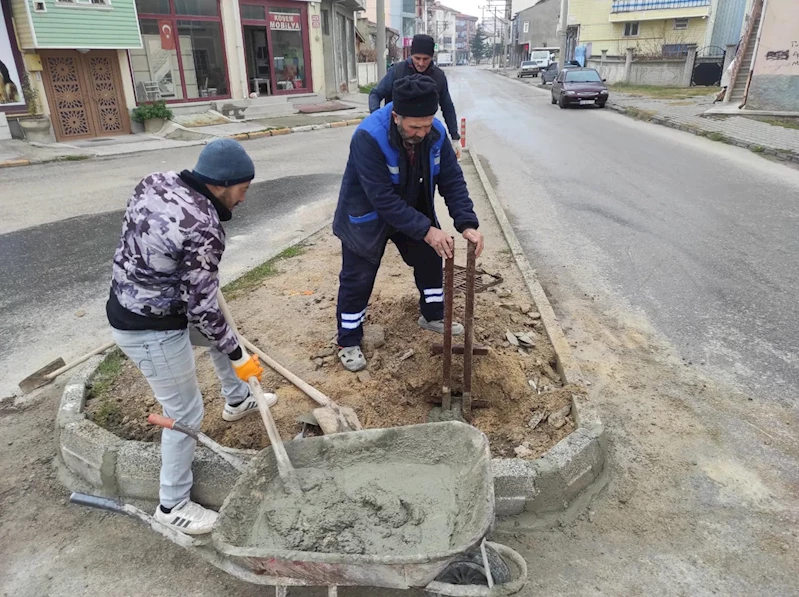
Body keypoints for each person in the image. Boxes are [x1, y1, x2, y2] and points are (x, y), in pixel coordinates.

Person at [106, 138, 274, 535]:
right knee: (185, 414)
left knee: (219, 329)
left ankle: (237, 400)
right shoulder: (204, 227)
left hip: (142, 297)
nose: (244, 199)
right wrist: (239, 357)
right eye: (243, 189)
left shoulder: (155, 180)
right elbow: (201, 308)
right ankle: (172, 504)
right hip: (149, 327)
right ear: (222, 184)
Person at [334, 75, 484, 372]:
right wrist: (427, 229)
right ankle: (348, 340)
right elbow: (382, 199)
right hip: (366, 215)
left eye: (427, 124)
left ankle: (432, 315)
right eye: (414, 126)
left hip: (412, 207)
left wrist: (467, 223)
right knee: (358, 278)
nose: (421, 132)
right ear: (395, 116)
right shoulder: (368, 137)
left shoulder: (436, 133)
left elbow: (452, 180)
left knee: (431, 257)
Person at [369, 34, 461, 156]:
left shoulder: (438, 77)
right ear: (411, 55)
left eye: (426, 59)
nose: (421, 63)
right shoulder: (398, 71)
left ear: (432, 56)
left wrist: (455, 137)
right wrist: (378, 120)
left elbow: (447, 106)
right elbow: (375, 94)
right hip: (396, 133)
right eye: (417, 58)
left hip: (423, 135)